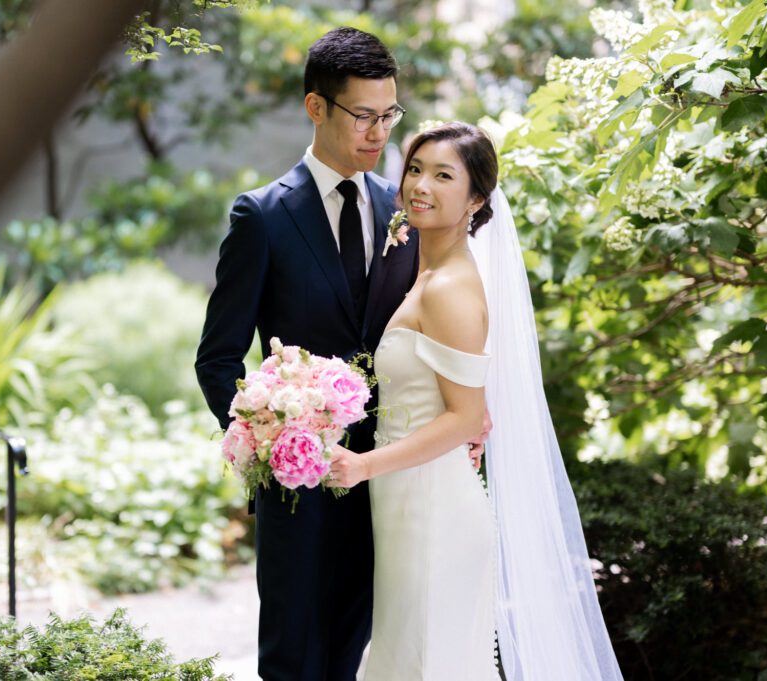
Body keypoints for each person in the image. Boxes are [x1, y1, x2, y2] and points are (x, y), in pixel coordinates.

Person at [327, 122, 625, 681]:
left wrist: (362, 464)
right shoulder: (427, 274)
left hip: (433, 511)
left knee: (424, 664)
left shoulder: (448, 288)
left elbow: (462, 417)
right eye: (415, 169)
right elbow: (468, 404)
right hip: (408, 502)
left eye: (444, 175)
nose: (420, 185)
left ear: (477, 199)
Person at [195, 27, 418, 681]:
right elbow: (217, 357)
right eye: (363, 116)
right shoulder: (261, 216)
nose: (378, 133)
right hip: (298, 489)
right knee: (294, 661)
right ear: (316, 107)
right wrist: (264, 443)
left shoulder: (400, 208)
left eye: (389, 115)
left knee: (358, 653)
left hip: (388, 476)